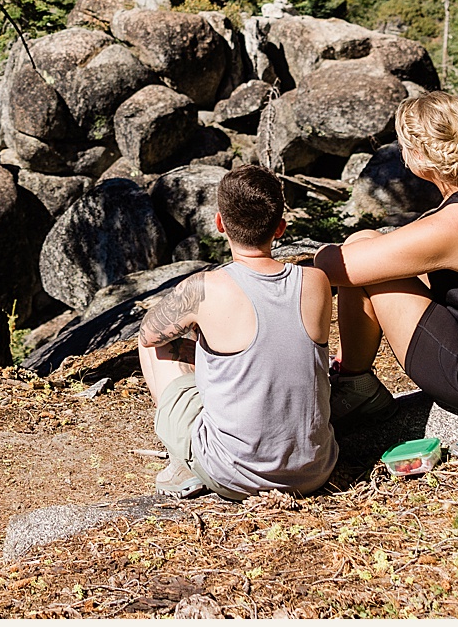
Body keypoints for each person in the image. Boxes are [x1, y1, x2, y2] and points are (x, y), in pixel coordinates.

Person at [312, 91, 458, 428]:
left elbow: (334, 267)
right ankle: (355, 382)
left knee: (360, 256)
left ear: (420, 156)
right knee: (365, 244)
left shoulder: (456, 225)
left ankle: (355, 386)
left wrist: (314, 256)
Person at [134, 164, 337, 498]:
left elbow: (149, 334)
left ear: (219, 224)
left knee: (152, 344)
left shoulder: (205, 288)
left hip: (233, 475)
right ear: (280, 228)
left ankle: (182, 461)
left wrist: (195, 343)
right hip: (315, 469)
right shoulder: (315, 281)